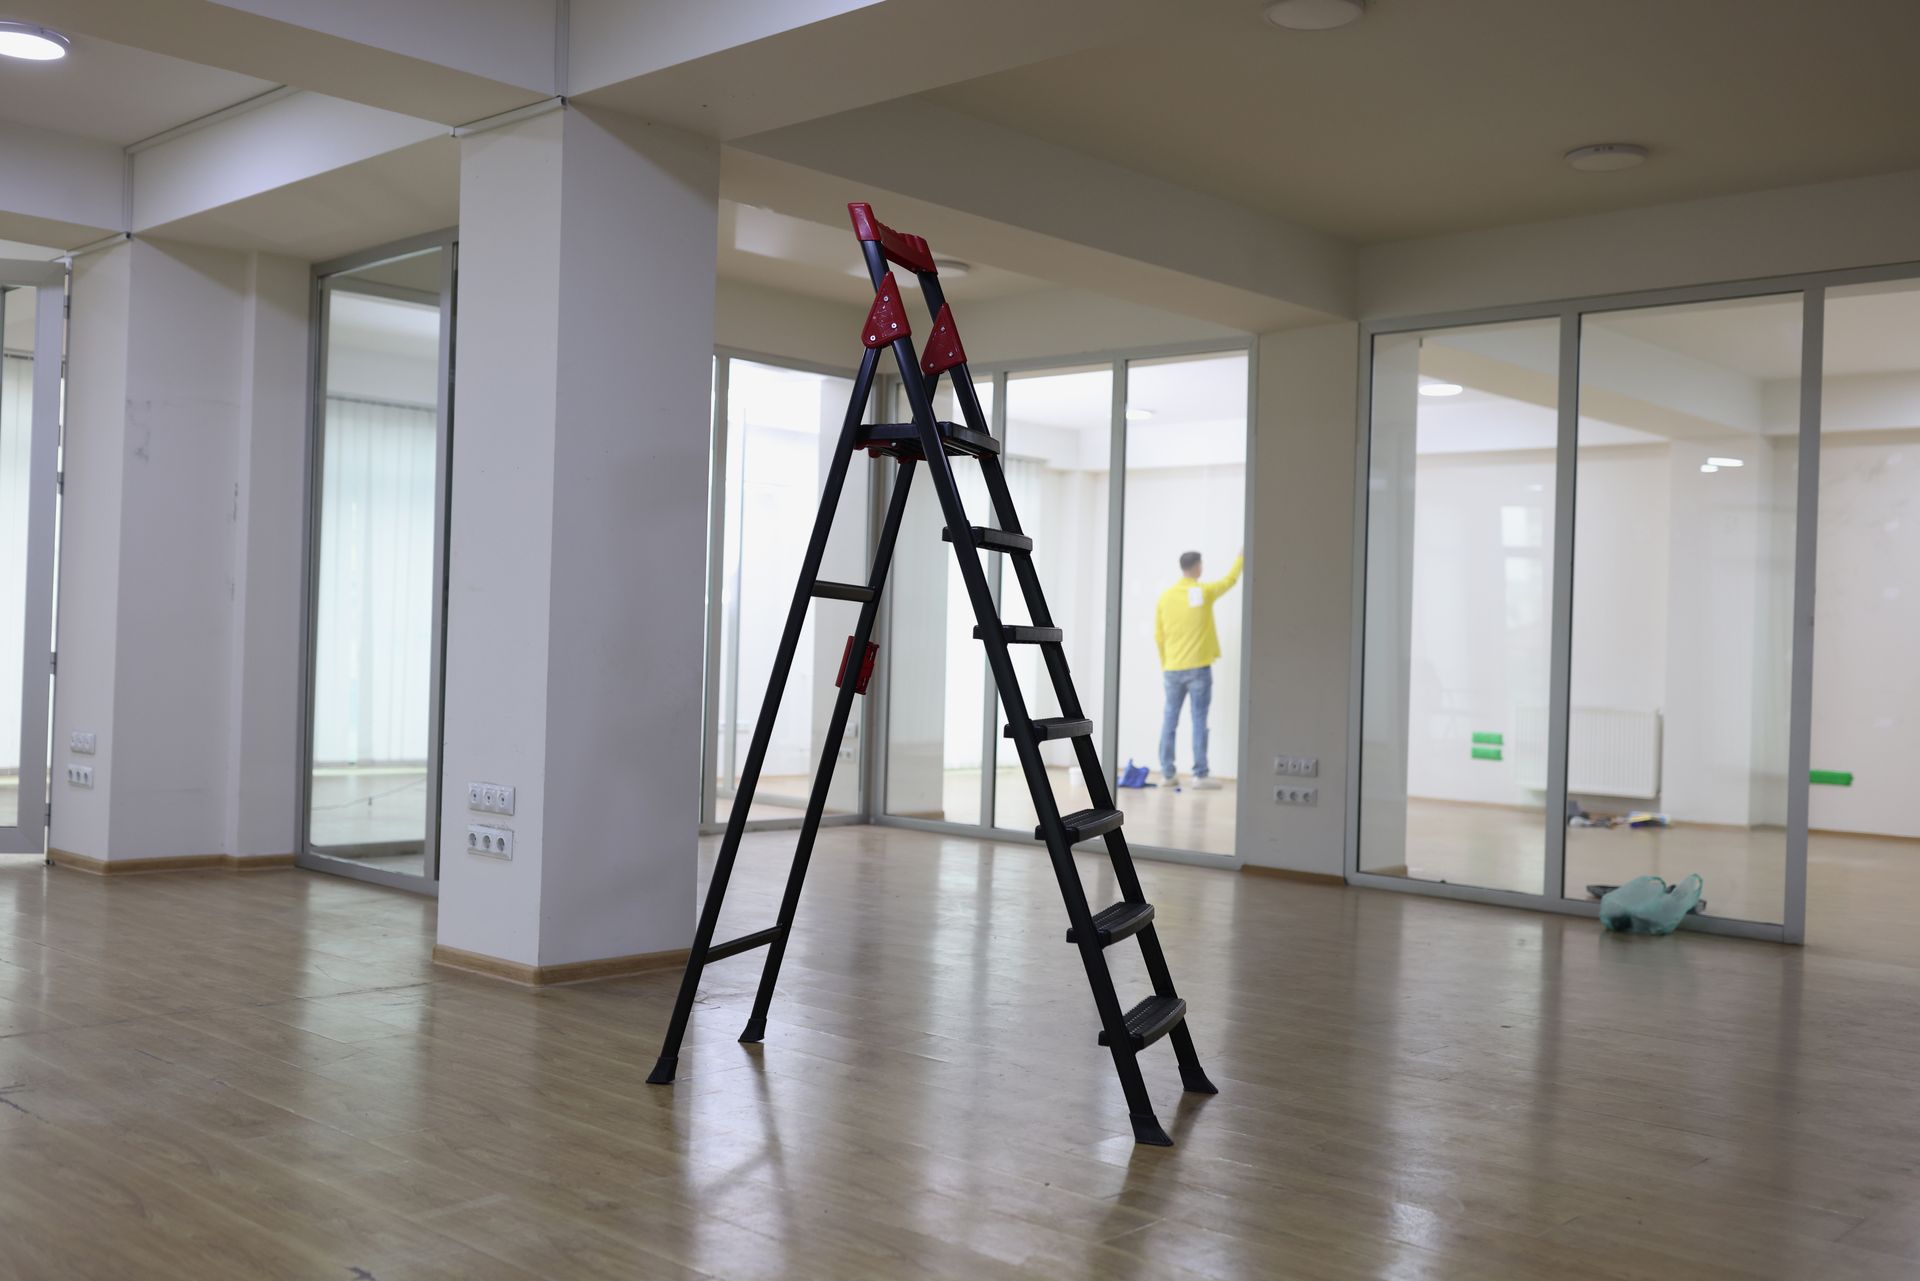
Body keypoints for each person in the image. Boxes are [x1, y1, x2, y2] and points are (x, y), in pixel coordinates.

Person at [1154, 549, 1243, 790]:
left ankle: (1167, 773)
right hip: (1198, 669)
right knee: (1199, 720)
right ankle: (1200, 775)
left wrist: (1166, 663)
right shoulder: (1203, 592)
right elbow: (1230, 581)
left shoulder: (1166, 597)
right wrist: (1240, 558)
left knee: (1169, 719)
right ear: (1198, 567)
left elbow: (1158, 635)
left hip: (1172, 668)